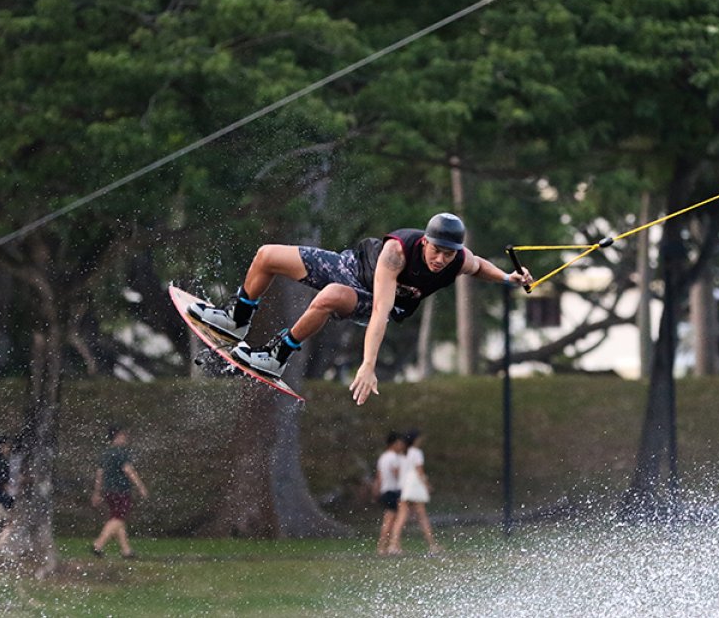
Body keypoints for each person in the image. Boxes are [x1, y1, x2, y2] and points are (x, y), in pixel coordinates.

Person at [187, 213, 534, 405]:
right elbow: (380, 299)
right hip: (354, 268)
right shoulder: (397, 253)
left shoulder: (458, 260)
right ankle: (236, 319)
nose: (441, 259)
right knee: (267, 255)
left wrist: (507, 277)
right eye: (436, 250)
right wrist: (369, 364)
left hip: (384, 305)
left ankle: (276, 356)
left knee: (330, 297)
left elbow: (478, 267)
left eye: (449, 253)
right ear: (425, 241)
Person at [91, 425, 148, 559]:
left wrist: (97, 492)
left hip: (108, 491)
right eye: (122, 435)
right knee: (117, 518)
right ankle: (98, 544)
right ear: (116, 437)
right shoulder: (121, 453)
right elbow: (129, 470)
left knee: (118, 519)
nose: (125, 438)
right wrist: (140, 486)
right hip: (121, 490)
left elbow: (99, 474)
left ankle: (126, 550)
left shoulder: (105, 454)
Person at [386, 430, 440, 555]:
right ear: (415, 440)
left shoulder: (401, 453)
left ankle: (393, 545)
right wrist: (427, 485)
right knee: (422, 517)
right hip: (414, 486)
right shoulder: (416, 453)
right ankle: (432, 544)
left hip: (403, 486)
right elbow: (419, 471)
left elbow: (398, 471)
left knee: (401, 517)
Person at [373, 431, 407, 555]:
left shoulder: (383, 457)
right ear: (394, 443)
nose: (401, 446)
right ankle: (393, 545)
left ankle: (382, 546)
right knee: (395, 520)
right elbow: (396, 473)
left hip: (385, 490)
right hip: (394, 490)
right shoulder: (393, 457)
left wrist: (376, 489)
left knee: (388, 520)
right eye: (400, 443)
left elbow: (379, 475)